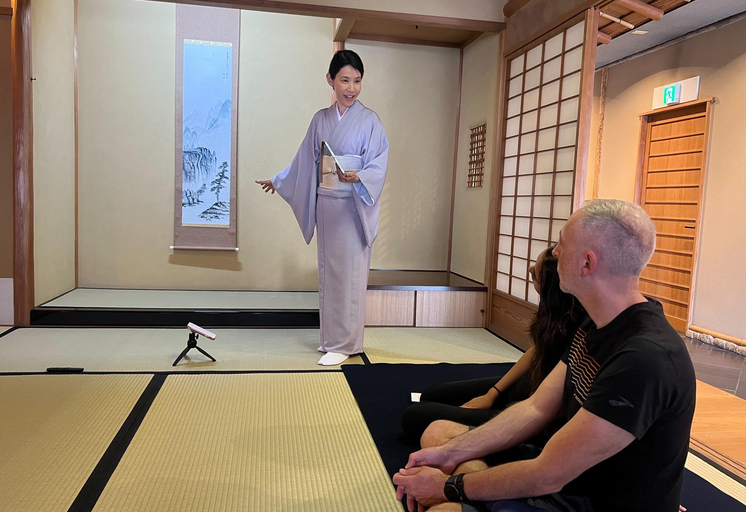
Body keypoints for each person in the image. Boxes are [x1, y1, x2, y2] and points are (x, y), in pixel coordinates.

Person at [393, 199, 696, 512]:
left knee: (442, 509)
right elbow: (536, 407)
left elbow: (548, 474)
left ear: (587, 263)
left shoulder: (644, 359)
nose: (554, 253)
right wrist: (452, 455)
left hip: (591, 499)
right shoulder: (597, 319)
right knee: (439, 435)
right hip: (563, 474)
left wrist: (450, 488)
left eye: (562, 243)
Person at [255, 50, 388, 366]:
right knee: (331, 276)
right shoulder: (320, 120)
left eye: (357, 80)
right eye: (344, 80)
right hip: (328, 207)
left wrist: (360, 176)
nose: (351, 88)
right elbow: (304, 160)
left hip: (353, 207)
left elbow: (379, 163)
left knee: (350, 276)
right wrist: (279, 181)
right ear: (330, 80)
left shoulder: (370, 121)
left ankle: (345, 343)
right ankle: (333, 340)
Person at [400, 247, 585, 443]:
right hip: (520, 389)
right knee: (430, 394)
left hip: (527, 412)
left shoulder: (577, 328)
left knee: (415, 416)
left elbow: (538, 408)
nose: (530, 269)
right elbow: (536, 352)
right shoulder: (553, 311)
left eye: (535, 273)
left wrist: (500, 416)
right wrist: (493, 393)